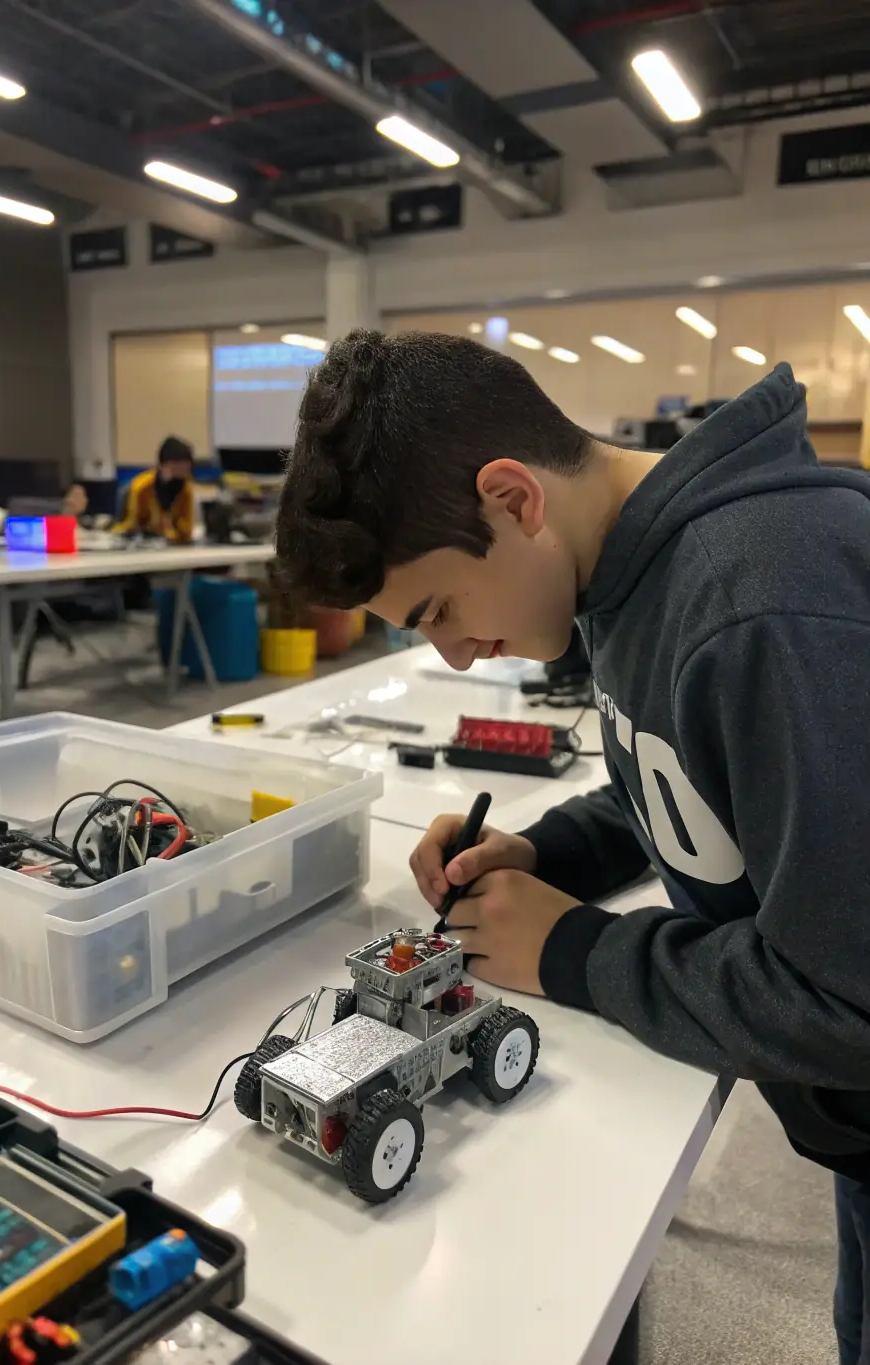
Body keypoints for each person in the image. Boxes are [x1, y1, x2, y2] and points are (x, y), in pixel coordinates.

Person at [274, 328, 870, 1363]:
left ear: (512, 500)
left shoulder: (763, 600)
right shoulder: (624, 573)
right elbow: (697, 777)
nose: (453, 652)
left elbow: (849, 1000)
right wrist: (549, 855)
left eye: (439, 610)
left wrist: (576, 952)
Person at [114, 436, 194, 542]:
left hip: (170, 545)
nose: (182, 475)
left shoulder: (185, 489)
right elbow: (131, 525)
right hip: (140, 542)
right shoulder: (142, 487)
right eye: (176, 468)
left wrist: (171, 533)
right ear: (162, 466)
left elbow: (186, 530)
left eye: (186, 469)